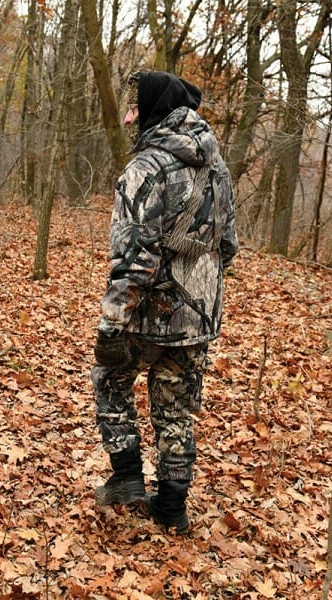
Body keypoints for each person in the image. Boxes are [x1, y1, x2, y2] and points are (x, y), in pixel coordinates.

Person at [92, 71, 238, 534]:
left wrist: (112, 322)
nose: (130, 114)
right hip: (197, 318)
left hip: (147, 315)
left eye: (137, 106)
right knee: (175, 408)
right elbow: (228, 246)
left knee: (110, 376)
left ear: (155, 110)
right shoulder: (218, 169)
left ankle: (127, 476)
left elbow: (134, 259)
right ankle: (172, 507)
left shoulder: (143, 170)